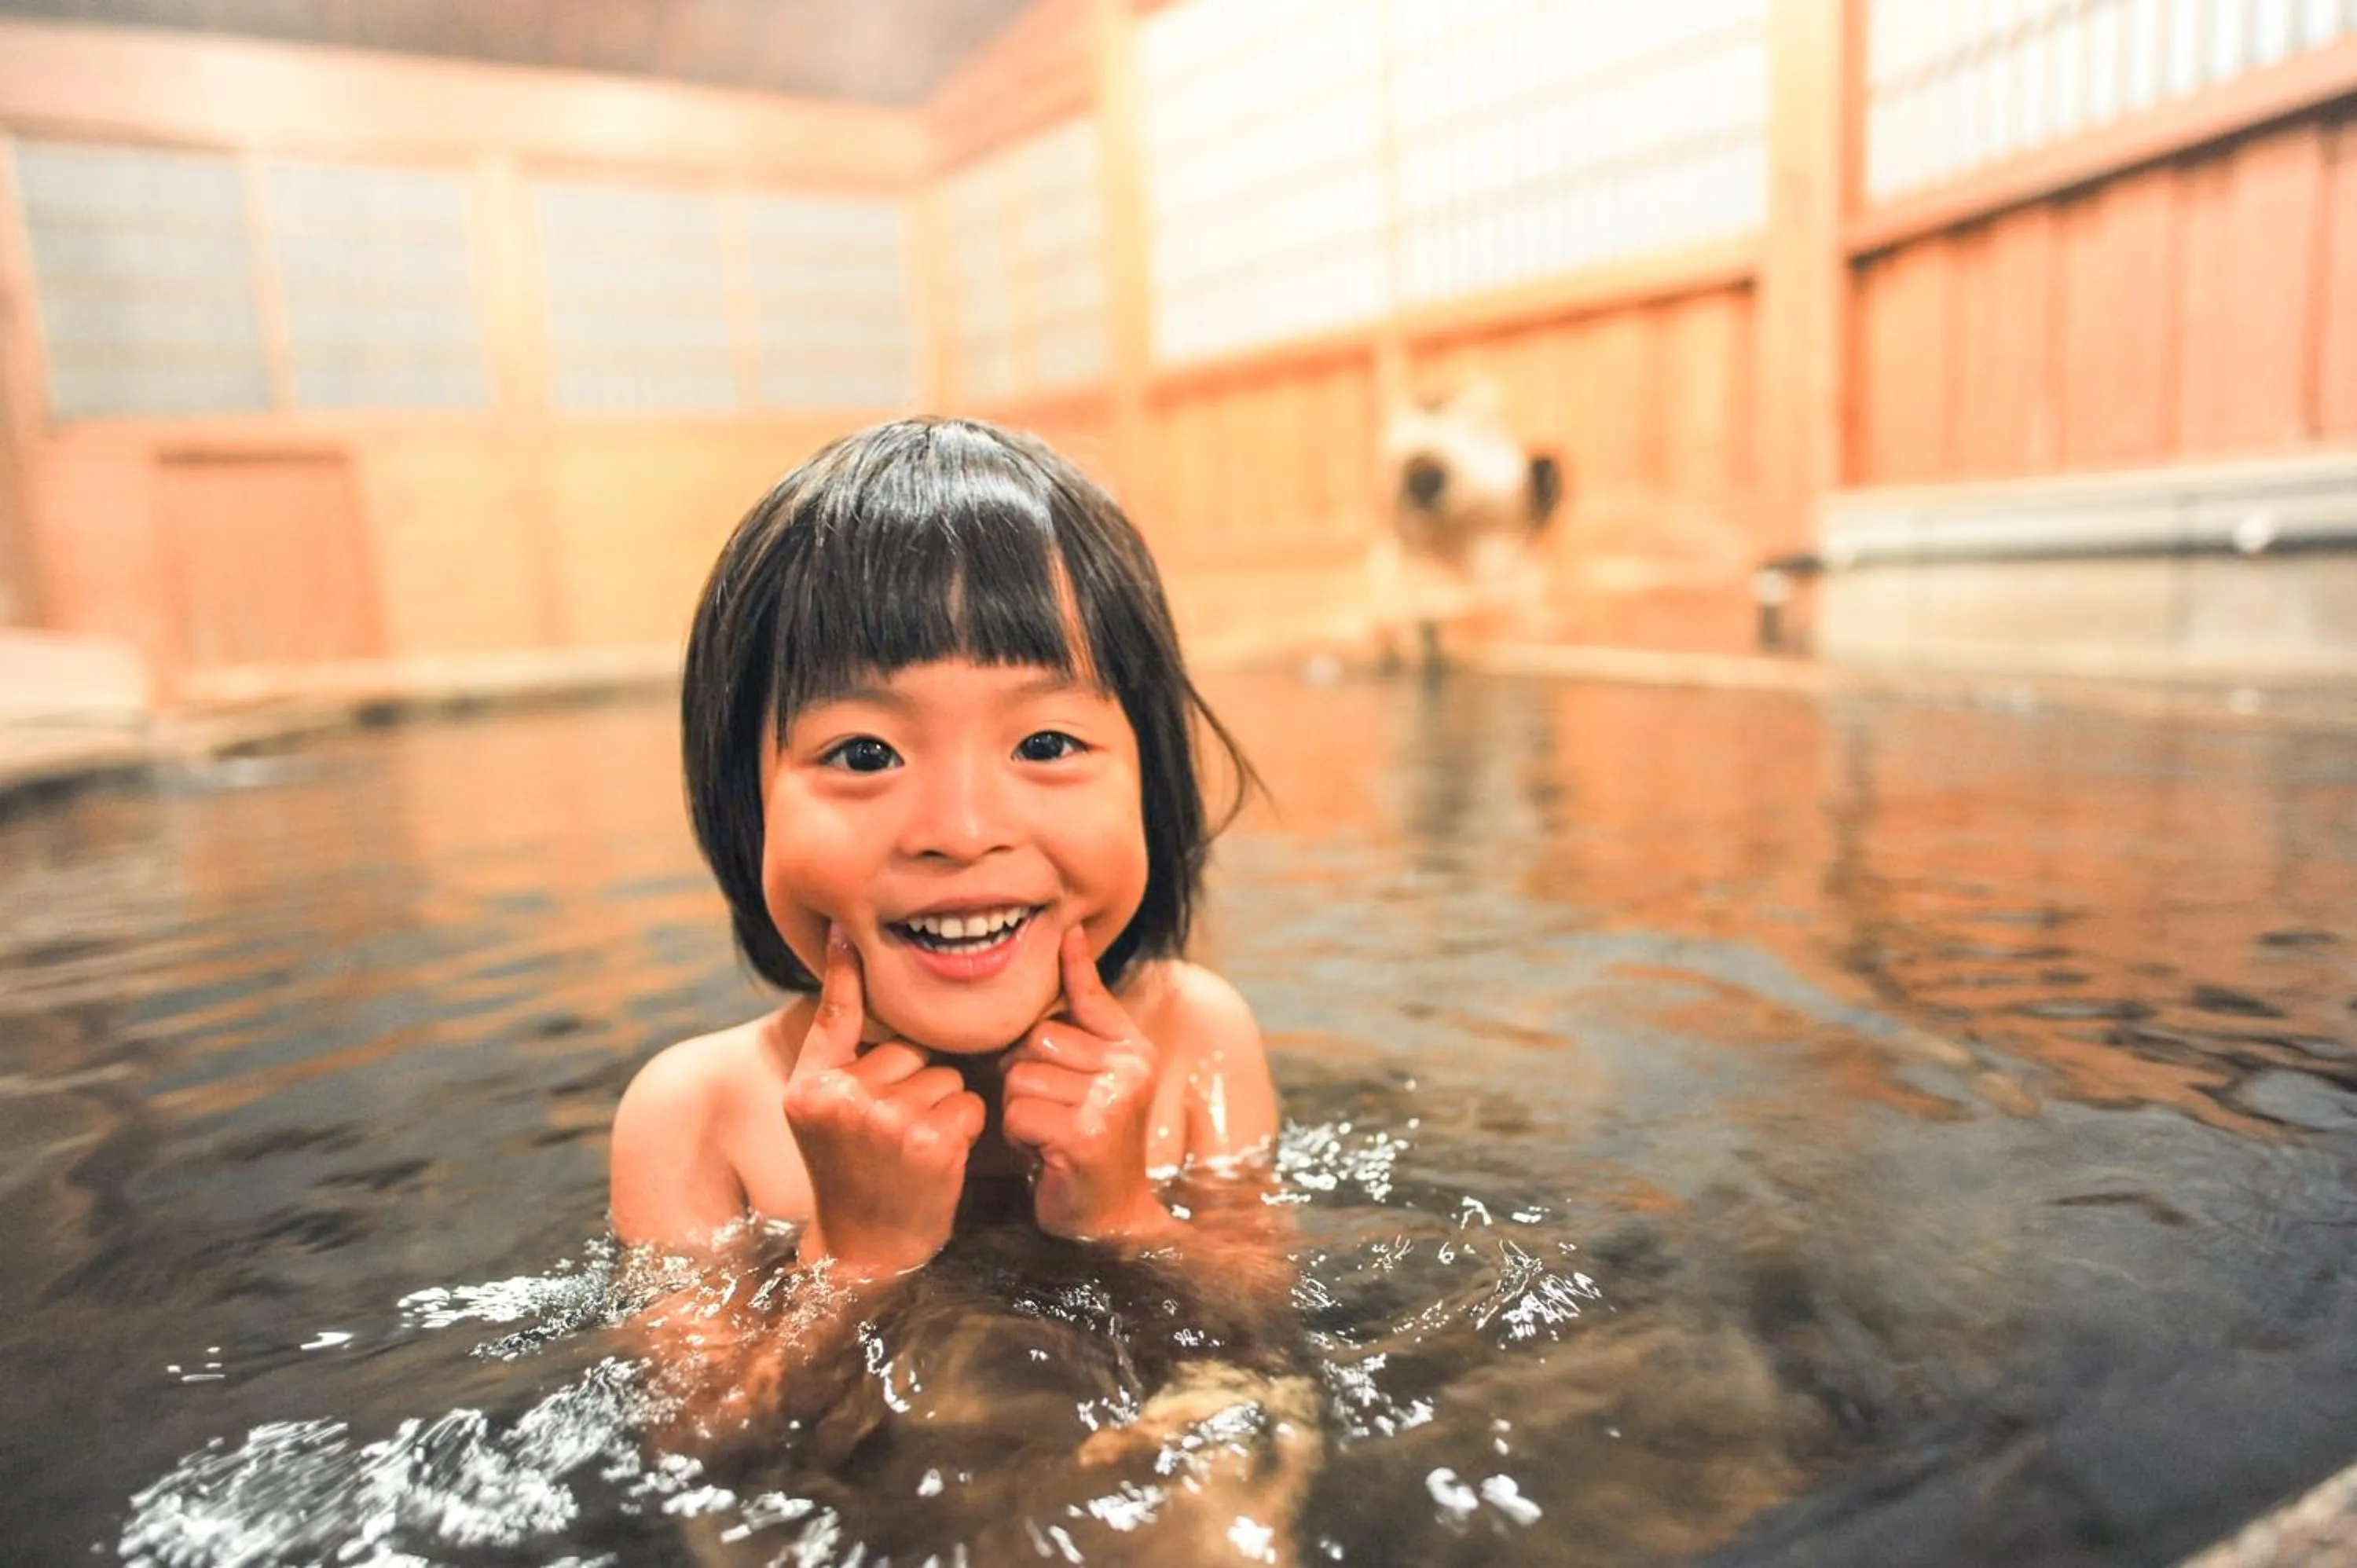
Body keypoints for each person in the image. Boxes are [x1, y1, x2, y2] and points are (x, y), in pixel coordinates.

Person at [604, 419, 1312, 1563]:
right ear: (746, 805)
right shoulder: (701, 1112)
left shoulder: (1190, 1036)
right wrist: (853, 1260)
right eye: (865, 755)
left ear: (1152, 780)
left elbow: (1267, 1332)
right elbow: (700, 1450)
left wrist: (1127, 1217)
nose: (961, 832)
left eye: (1044, 741)